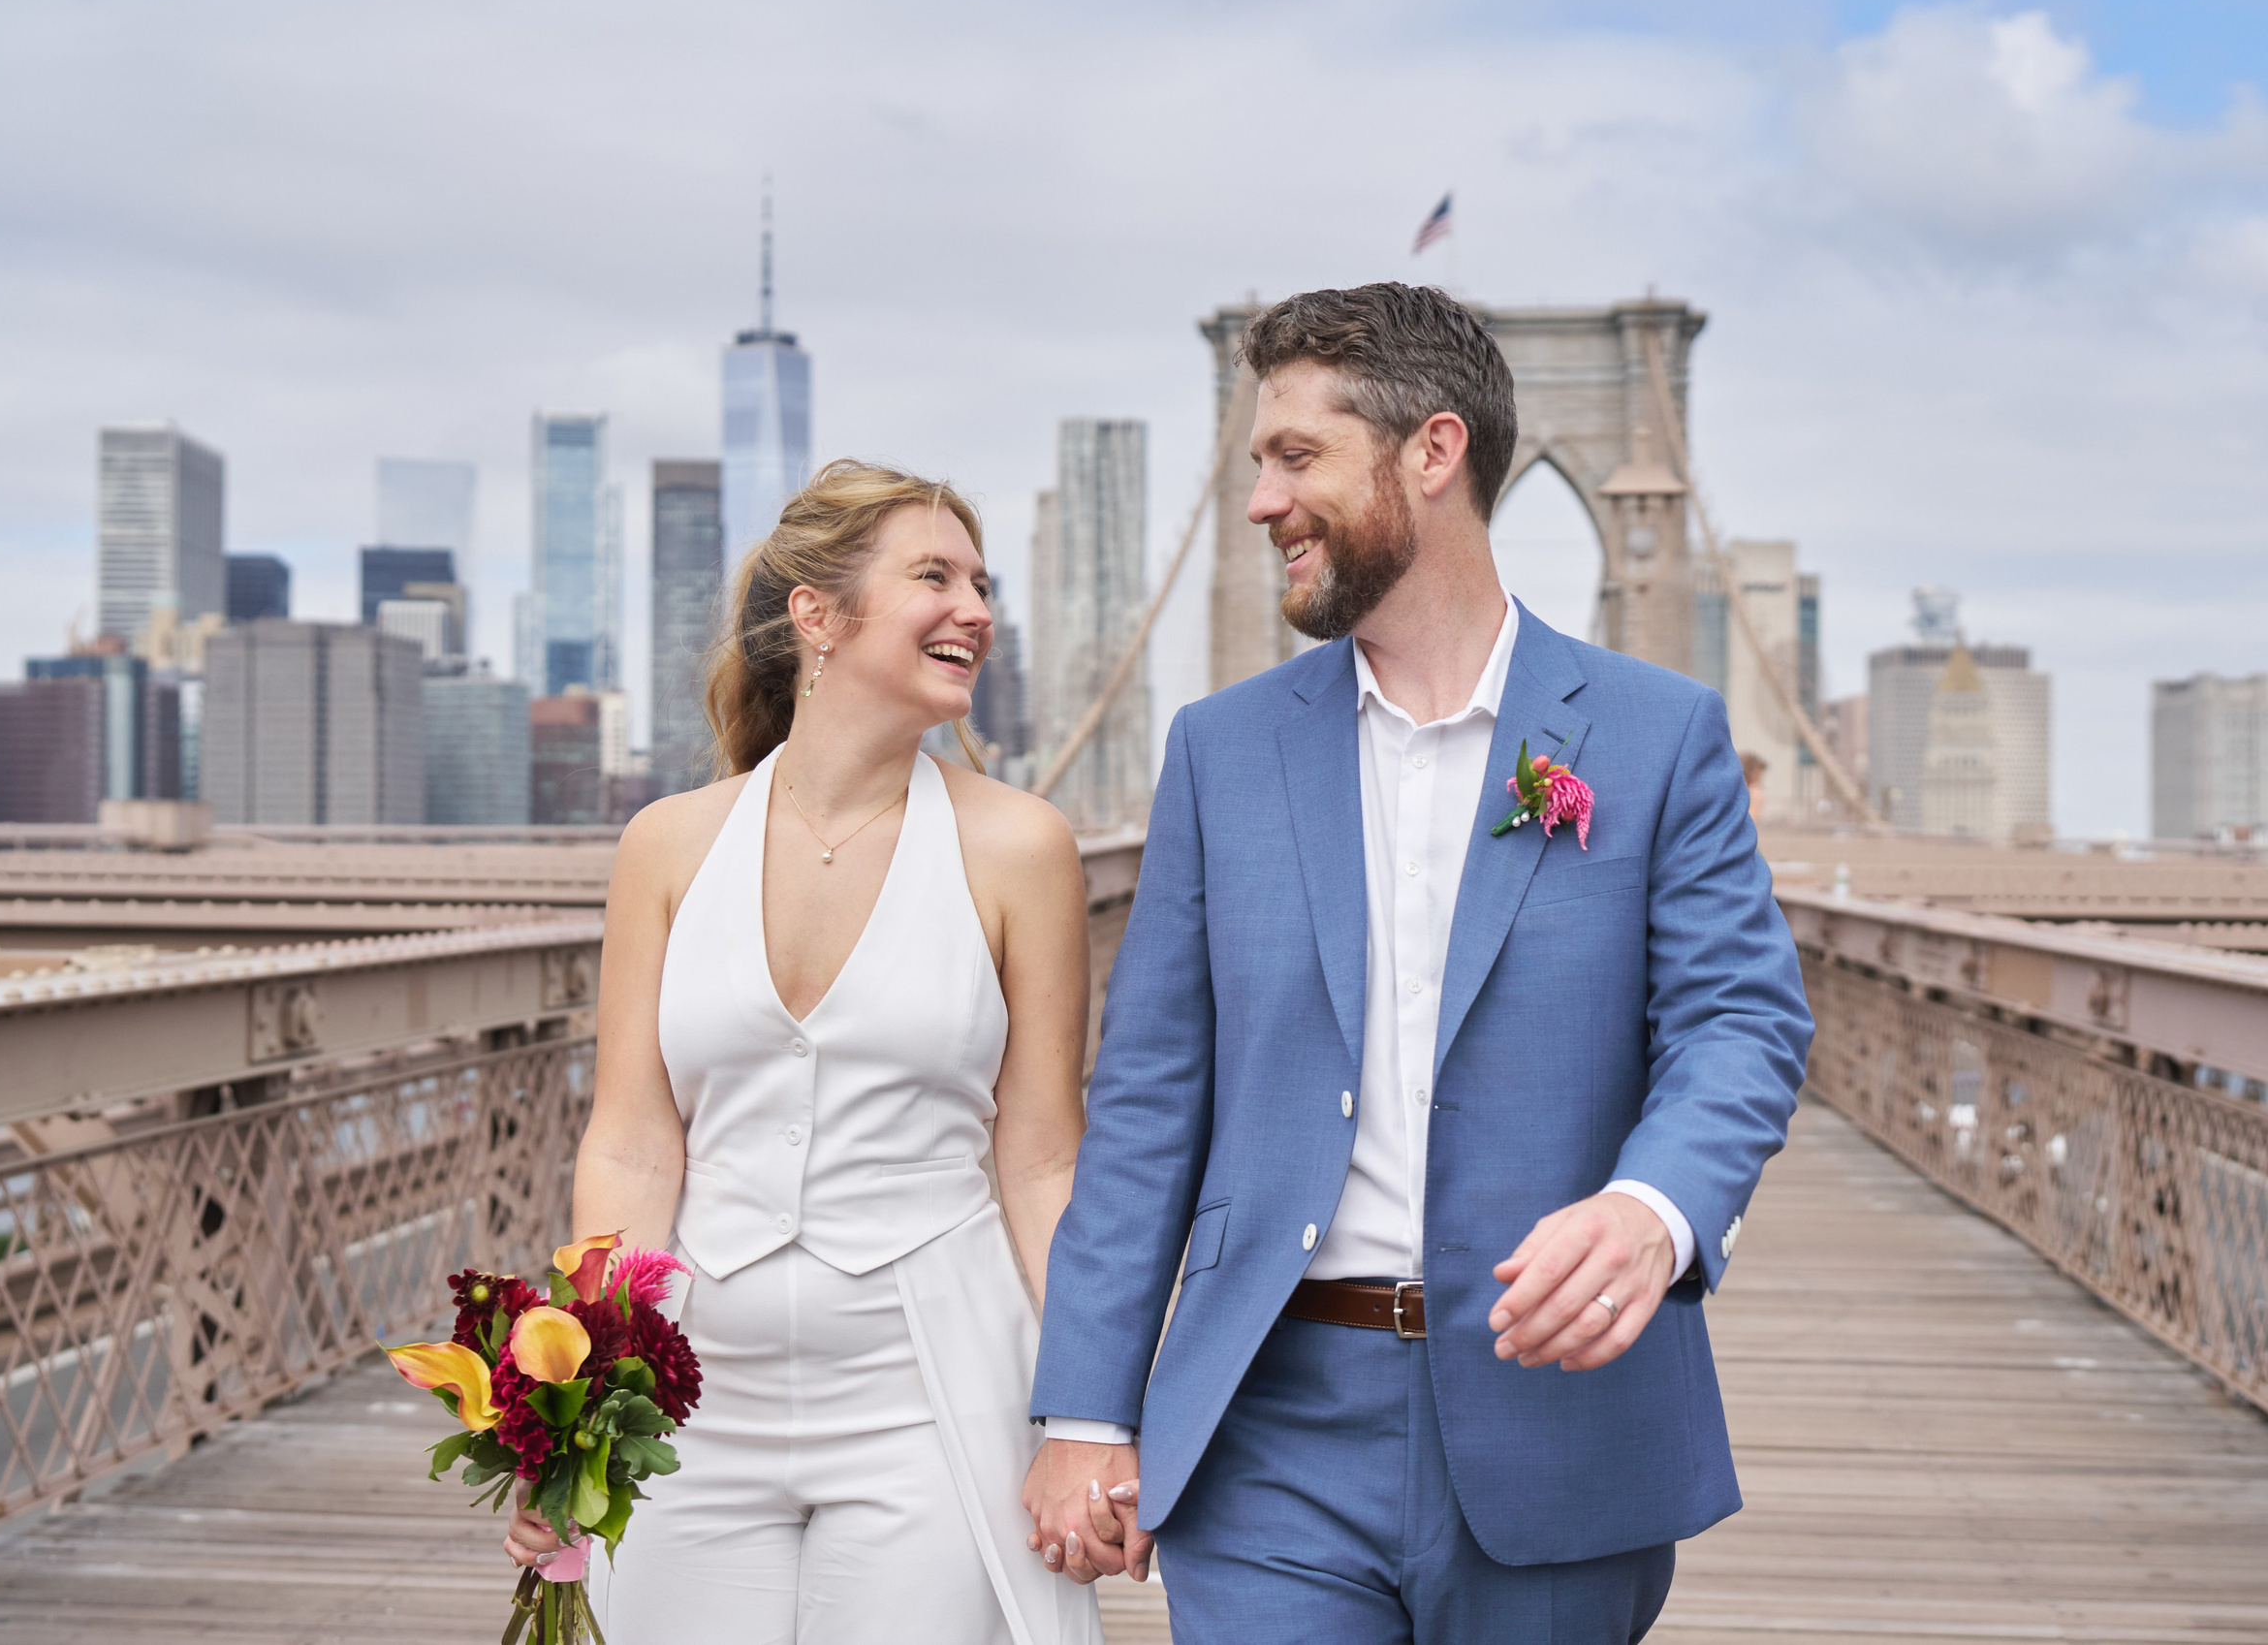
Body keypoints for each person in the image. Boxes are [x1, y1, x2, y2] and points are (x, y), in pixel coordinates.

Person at [1023, 284, 1812, 1642]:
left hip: (1561, 1415)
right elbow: (1149, 1095)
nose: (1261, 499)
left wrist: (1654, 1208)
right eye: (1255, 459)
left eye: (1294, 456)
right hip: (1268, 1423)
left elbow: (1740, 1021)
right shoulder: (1222, 750)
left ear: (1431, 453)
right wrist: (1085, 1406)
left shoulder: (1657, 733)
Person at [507, 460, 1103, 1645]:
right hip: (692, 1403)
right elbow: (628, 1145)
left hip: (930, 1400)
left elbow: (1040, 1162)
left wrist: (1094, 1415)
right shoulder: (666, 847)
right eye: (932, 575)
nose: (974, 608)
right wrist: (574, 1417)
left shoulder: (1022, 849)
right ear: (816, 615)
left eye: (980, 582)